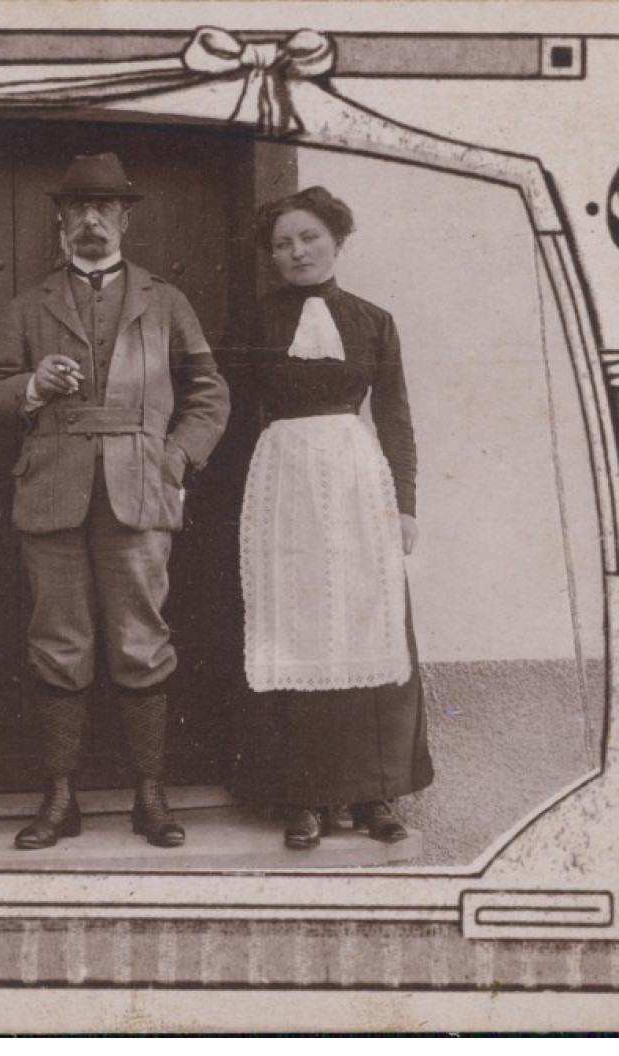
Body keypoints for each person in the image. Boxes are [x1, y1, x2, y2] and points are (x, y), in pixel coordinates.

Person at [0, 153, 230, 850]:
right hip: (52, 486)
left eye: (104, 209)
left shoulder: (165, 300)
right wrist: (32, 385)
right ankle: (60, 796)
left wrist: (175, 456)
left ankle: (150, 794)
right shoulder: (28, 306)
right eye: (77, 209)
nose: (91, 221)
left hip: (141, 489)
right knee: (58, 642)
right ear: (61, 220)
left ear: (125, 218)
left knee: (141, 640)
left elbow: (209, 393)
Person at [223, 186, 433, 850]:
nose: (296, 252)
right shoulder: (254, 323)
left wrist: (403, 505)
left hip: (355, 481)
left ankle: (376, 794)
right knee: (295, 626)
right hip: (282, 481)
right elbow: (229, 419)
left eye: (308, 238)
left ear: (335, 240)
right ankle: (304, 797)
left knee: (368, 619)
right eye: (282, 244)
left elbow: (395, 417)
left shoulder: (374, 320)